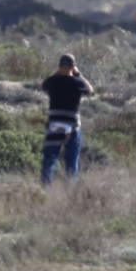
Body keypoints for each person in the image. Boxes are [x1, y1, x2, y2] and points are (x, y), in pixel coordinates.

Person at [41, 54, 93, 185]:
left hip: (54, 125)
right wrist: (78, 73)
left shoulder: (53, 82)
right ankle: (69, 191)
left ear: (59, 66)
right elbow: (90, 90)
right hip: (72, 126)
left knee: (49, 159)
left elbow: (44, 85)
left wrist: (57, 72)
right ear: (72, 66)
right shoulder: (77, 82)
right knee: (71, 162)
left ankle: (45, 188)